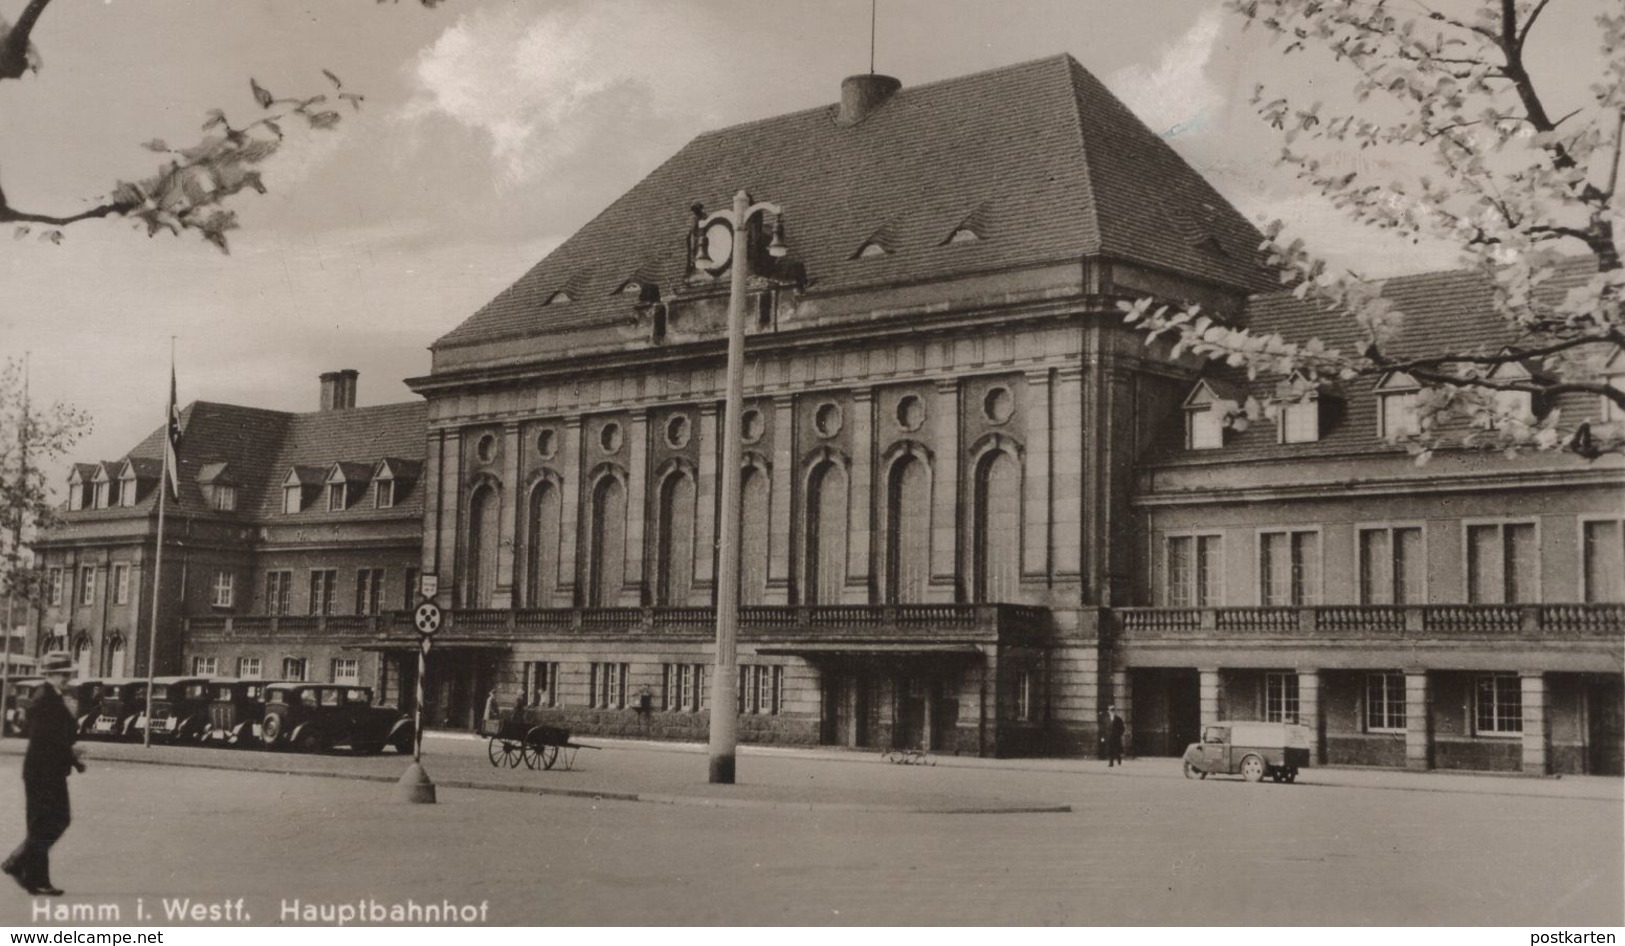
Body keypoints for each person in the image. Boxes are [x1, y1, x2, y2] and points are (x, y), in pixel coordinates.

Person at [3, 653, 83, 897]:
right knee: (53, 821)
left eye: (68, 673)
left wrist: (72, 754)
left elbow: (59, 735)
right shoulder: (45, 698)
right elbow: (43, 739)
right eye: (62, 674)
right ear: (48, 675)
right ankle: (17, 864)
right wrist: (71, 751)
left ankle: (35, 878)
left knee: (44, 824)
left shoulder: (53, 697)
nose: (66, 678)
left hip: (47, 771)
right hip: (43, 773)